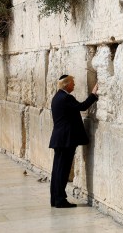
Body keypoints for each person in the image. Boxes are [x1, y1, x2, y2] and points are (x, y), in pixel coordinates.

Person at [49, 74, 98, 208]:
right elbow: (82, 107)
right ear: (66, 84)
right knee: (63, 170)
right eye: (72, 83)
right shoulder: (66, 98)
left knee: (57, 170)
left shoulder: (57, 97)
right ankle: (60, 200)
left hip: (59, 139)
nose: (74, 85)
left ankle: (55, 198)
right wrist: (93, 94)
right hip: (66, 140)